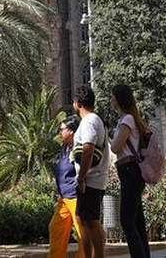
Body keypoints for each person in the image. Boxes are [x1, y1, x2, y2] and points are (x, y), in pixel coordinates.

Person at [109, 84, 150, 258]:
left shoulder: (127, 120)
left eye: (112, 96)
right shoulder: (129, 119)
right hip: (129, 171)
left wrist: (109, 138)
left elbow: (117, 147)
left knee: (127, 221)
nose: (110, 100)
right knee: (137, 221)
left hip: (129, 171)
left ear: (119, 99)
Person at [72, 86, 109, 258]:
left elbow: (88, 149)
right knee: (84, 221)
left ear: (77, 103)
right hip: (90, 180)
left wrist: (81, 178)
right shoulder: (93, 120)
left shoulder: (90, 121)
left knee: (92, 221)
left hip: (90, 180)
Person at [48, 115, 84, 258]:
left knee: (82, 233)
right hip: (64, 198)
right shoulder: (65, 147)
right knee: (56, 227)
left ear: (71, 132)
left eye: (62, 129)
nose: (60, 132)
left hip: (75, 196)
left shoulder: (78, 148)